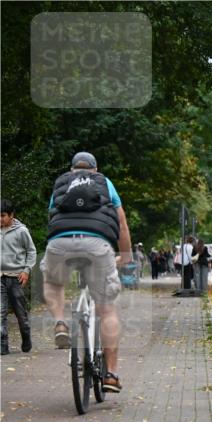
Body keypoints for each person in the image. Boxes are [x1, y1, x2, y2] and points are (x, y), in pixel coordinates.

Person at [41, 151, 132, 393]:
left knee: (53, 282)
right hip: (97, 243)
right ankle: (111, 374)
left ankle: (60, 322)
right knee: (107, 308)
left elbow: (52, 217)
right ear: (95, 168)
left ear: (72, 169)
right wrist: (126, 255)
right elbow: (121, 222)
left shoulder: (62, 182)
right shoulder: (104, 182)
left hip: (60, 242)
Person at [1, 199, 37, 355]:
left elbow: (31, 251)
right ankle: (3, 345)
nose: (0, 219)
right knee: (0, 312)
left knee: (20, 314)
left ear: (11, 215)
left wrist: (26, 270)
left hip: (16, 277)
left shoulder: (21, 231)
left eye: (2, 216)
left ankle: (26, 335)